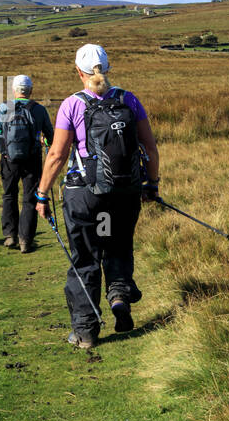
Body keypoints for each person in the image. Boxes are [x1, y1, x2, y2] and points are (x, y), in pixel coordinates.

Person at [34, 44, 160, 349]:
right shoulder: (128, 99)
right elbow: (151, 148)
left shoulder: (72, 105)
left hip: (85, 196)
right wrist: (150, 185)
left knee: (86, 257)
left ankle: (86, 331)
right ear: (107, 69)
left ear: (79, 71)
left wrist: (41, 194)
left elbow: (56, 154)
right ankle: (119, 299)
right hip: (125, 193)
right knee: (118, 246)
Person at [0, 74, 53, 252]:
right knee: (29, 198)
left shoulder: (3, 108)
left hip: (8, 159)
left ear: (14, 91)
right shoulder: (39, 110)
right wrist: (48, 149)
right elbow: (50, 134)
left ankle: (10, 236)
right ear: (30, 90)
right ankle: (25, 240)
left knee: (9, 195)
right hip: (32, 159)